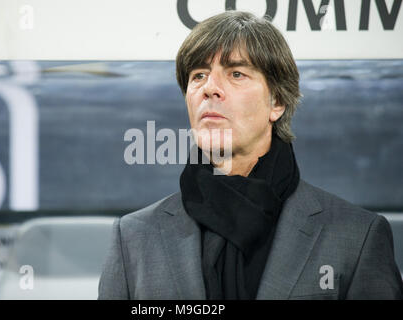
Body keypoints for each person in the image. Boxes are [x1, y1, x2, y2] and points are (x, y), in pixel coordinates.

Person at [98, 11, 403, 299]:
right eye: (199, 75)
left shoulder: (357, 236)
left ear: (277, 102)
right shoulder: (133, 238)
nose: (210, 88)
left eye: (236, 73)